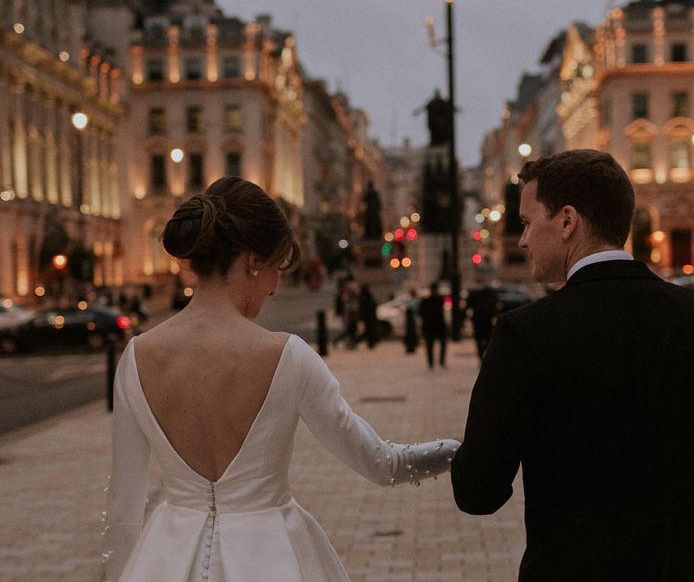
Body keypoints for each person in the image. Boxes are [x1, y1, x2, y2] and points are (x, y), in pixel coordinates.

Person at [104, 176, 459, 582]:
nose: (275, 287)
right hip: (268, 555)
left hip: (165, 558)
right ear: (254, 261)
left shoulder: (137, 357)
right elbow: (382, 463)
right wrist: (459, 450)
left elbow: (123, 508)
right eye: (279, 268)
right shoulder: (287, 356)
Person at [451, 150, 694, 581]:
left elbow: (478, 491)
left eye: (527, 222)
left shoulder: (525, 334)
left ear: (567, 221)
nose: (522, 239)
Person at [418, 282, 447, 369]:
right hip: (438, 325)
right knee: (440, 344)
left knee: (430, 345)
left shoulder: (426, 300)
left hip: (429, 326)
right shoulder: (440, 300)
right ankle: (440, 361)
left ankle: (431, 362)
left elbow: (420, 313)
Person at [465, 284, 498, 360]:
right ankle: (485, 355)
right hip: (487, 320)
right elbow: (495, 307)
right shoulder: (491, 294)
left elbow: (468, 306)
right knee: (488, 338)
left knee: (479, 339)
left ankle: (481, 355)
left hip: (478, 320)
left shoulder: (474, 294)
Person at [357, 283, 379, 349]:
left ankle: (371, 343)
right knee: (369, 330)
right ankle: (368, 342)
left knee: (370, 330)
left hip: (370, 316)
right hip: (368, 316)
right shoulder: (364, 297)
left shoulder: (367, 296)